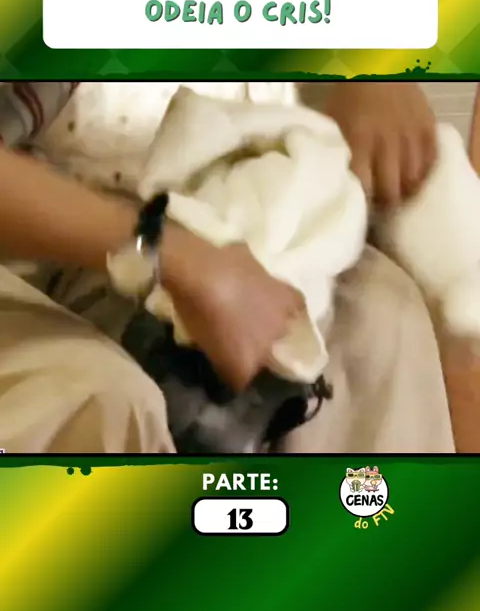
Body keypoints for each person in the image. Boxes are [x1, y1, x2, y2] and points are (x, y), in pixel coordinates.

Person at [0, 81, 471, 452]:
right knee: (110, 395)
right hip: (90, 234)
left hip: (249, 201)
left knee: (384, 316)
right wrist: (172, 253)